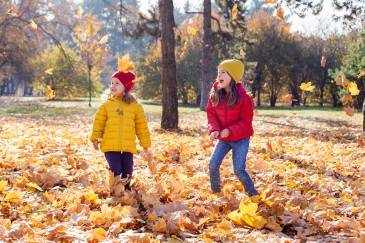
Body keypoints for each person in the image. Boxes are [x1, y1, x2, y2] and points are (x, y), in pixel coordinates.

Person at [90, 70, 151, 190]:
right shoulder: (106, 105)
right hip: (110, 145)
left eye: (117, 83)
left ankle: (125, 190)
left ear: (126, 87)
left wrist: (145, 144)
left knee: (127, 170)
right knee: (115, 169)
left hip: (128, 145)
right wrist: (95, 138)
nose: (112, 86)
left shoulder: (135, 107)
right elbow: (99, 123)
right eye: (112, 83)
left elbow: (142, 127)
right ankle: (115, 190)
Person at [206, 59, 258, 198]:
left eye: (223, 72)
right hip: (223, 138)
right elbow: (211, 114)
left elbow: (246, 121)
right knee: (212, 164)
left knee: (239, 169)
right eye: (218, 73)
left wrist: (229, 130)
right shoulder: (215, 94)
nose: (219, 76)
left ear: (233, 76)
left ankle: (253, 194)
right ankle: (216, 191)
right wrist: (214, 129)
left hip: (240, 138)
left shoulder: (244, 98)